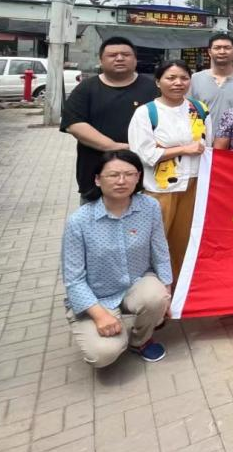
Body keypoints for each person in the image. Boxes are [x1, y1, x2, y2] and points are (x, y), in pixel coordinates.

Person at [62, 149, 171, 366]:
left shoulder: (150, 207)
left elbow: (160, 251)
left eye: (129, 174)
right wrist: (100, 316)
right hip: (97, 297)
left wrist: (167, 292)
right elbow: (73, 280)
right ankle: (111, 330)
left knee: (157, 297)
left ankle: (140, 341)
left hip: (137, 284)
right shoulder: (79, 221)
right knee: (103, 354)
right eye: (113, 175)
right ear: (97, 179)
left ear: (138, 177)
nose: (121, 181)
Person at [127, 61, 208, 282]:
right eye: (171, 78)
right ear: (158, 82)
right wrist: (183, 149)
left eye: (183, 78)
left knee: (185, 241)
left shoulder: (199, 109)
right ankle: (152, 287)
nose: (178, 83)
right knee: (156, 240)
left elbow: (206, 147)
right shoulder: (146, 113)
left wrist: (167, 148)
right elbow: (143, 153)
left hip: (194, 184)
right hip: (160, 188)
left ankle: (179, 288)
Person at [61, 36, 160, 201]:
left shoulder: (153, 88)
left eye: (125, 55)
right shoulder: (86, 88)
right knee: (95, 217)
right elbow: (74, 124)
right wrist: (116, 147)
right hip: (97, 176)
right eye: (112, 55)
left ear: (135, 60)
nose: (119, 58)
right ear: (101, 61)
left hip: (146, 176)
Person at [190, 32, 233, 141]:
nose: (222, 51)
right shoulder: (195, 79)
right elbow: (188, 110)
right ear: (210, 52)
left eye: (227, 48)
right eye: (217, 48)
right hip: (202, 143)